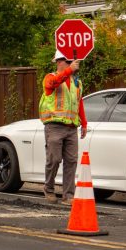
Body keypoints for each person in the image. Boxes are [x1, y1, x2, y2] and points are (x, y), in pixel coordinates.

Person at [38, 49, 88, 205]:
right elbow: (53, 84)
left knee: (71, 161)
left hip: (71, 127)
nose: (72, 65)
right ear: (60, 62)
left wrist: (84, 123)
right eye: (68, 62)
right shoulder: (50, 77)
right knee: (54, 159)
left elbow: (79, 102)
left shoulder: (76, 82)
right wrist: (69, 70)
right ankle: (49, 188)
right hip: (54, 126)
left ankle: (68, 195)